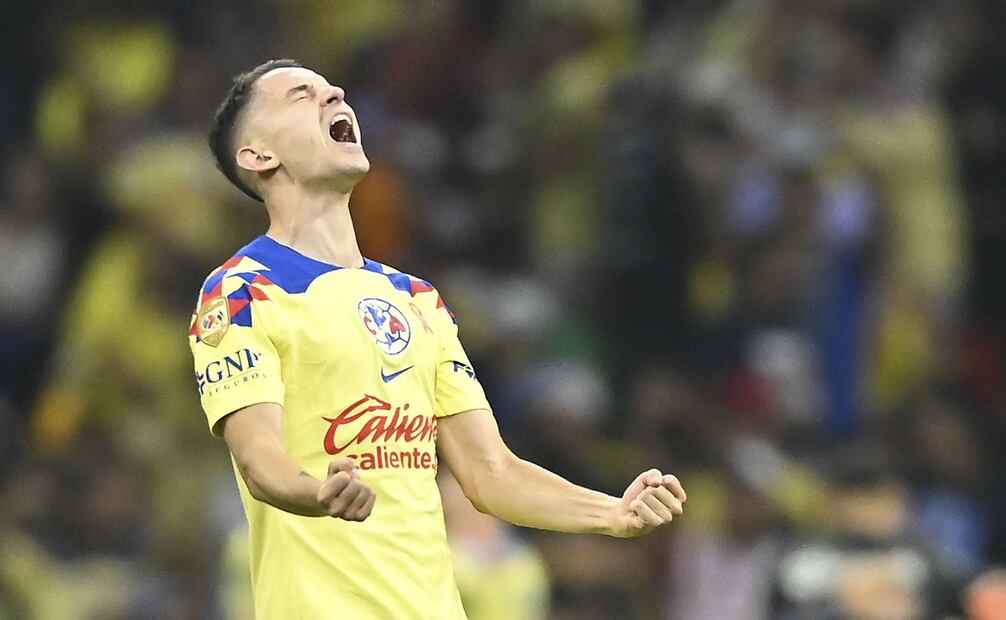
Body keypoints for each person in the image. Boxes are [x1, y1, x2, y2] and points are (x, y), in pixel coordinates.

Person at [189, 58, 687, 619]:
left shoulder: (418, 299)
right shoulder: (241, 290)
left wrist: (610, 513)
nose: (334, 95)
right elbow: (259, 457)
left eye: (333, 89)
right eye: (302, 95)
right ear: (258, 155)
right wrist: (316, 493)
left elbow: (489, 472)